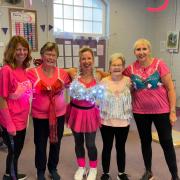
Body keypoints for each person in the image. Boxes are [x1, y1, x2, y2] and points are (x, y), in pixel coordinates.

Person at [123, 38, 180, 180]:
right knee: (145, 141)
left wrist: (172, 111)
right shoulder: (130, 69)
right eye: (138, 49)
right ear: (134, 52)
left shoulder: (160, 64)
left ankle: (175, 175)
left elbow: (171, 89)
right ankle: (148, 171)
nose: (141, 52)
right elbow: (117, 75)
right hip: (140, 112)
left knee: (166, 142)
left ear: (149, 50)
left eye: (144, 49)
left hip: (161, 111)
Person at [27, 42, 70, 180]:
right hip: (40, 117)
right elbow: (25, 92)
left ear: (57, 56)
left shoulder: (63, 74)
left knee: (56, 143)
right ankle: (40, 171)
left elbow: (73, 87)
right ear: (42, 55)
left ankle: (52, 168)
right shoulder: (32, 73)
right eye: (48, 54)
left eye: (53, 54)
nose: (50, 57)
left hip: (59, 115)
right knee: (40, 144)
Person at [66, 47, 105, 180]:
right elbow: (57, 72)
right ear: (80, 60)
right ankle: (81, 166)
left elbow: (116, 75)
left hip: (90, 113)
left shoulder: (99, 75)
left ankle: (93, 168)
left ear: (93, 60)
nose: (86, 61)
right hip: (75, 112)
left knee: (90, 144)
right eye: (83, 58)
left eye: (89, 58)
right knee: (78, 142)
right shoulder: (73, 73)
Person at [0, 35, 32, 180]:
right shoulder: (6, 70)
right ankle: (10, 176)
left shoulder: (23, 69)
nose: (22, 52)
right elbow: (1, 99)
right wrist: (9, 123)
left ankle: (9, 173)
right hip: (11, 120)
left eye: (24, 49)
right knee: (14, 151)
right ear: (11, 51)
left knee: (16, 150)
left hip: (22, 118)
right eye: (18, 49)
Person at [99, 53, 132, 180]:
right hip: (106, 122)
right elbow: (97, 100)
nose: (116, 67)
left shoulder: (128, 81)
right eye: (114, 65)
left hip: (123, 123)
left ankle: (121, 173)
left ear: (123, 67)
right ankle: (106, 173)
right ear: (109, 67)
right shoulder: (103, 82)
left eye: (119, 65)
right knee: (107, 147)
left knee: (121, 148)